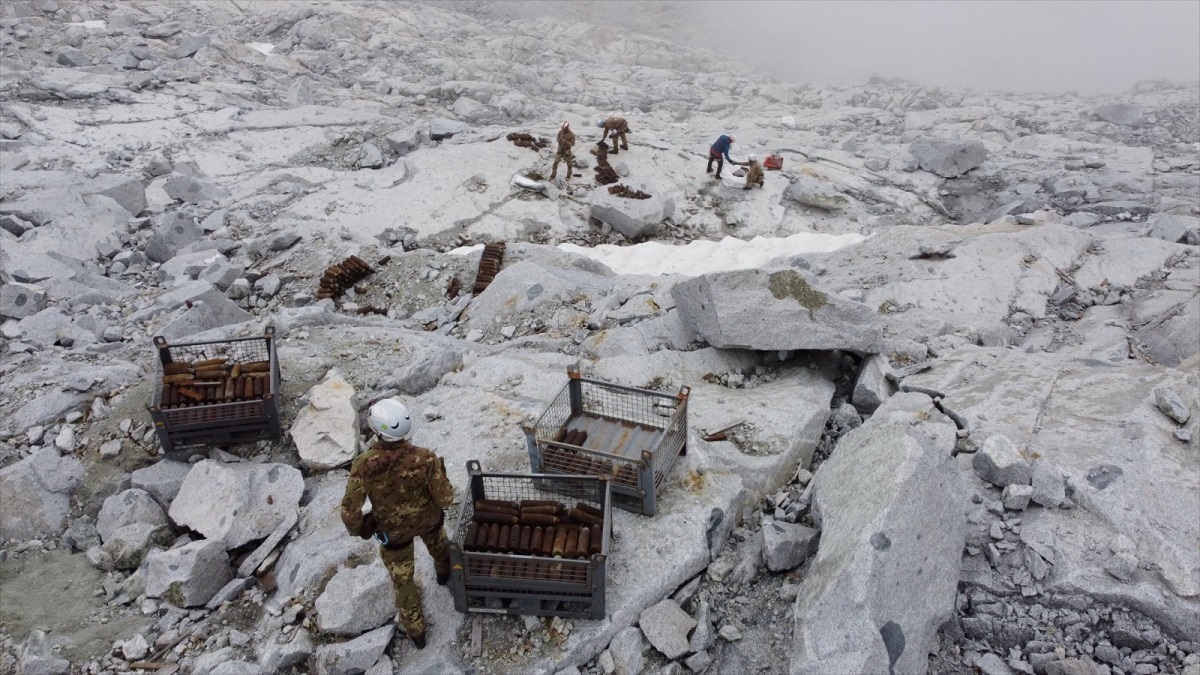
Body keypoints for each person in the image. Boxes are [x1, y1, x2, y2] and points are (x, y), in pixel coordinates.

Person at [340, 398, 454, 649]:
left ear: (376, 430)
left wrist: (360, 530)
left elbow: (349, 511)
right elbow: (445, 498)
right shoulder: (425, 458)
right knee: (441, 549)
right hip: (428, 521)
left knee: (403, 582)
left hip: (393, 533)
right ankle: (445, 576)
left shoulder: (363, 465)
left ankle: (418, 633)